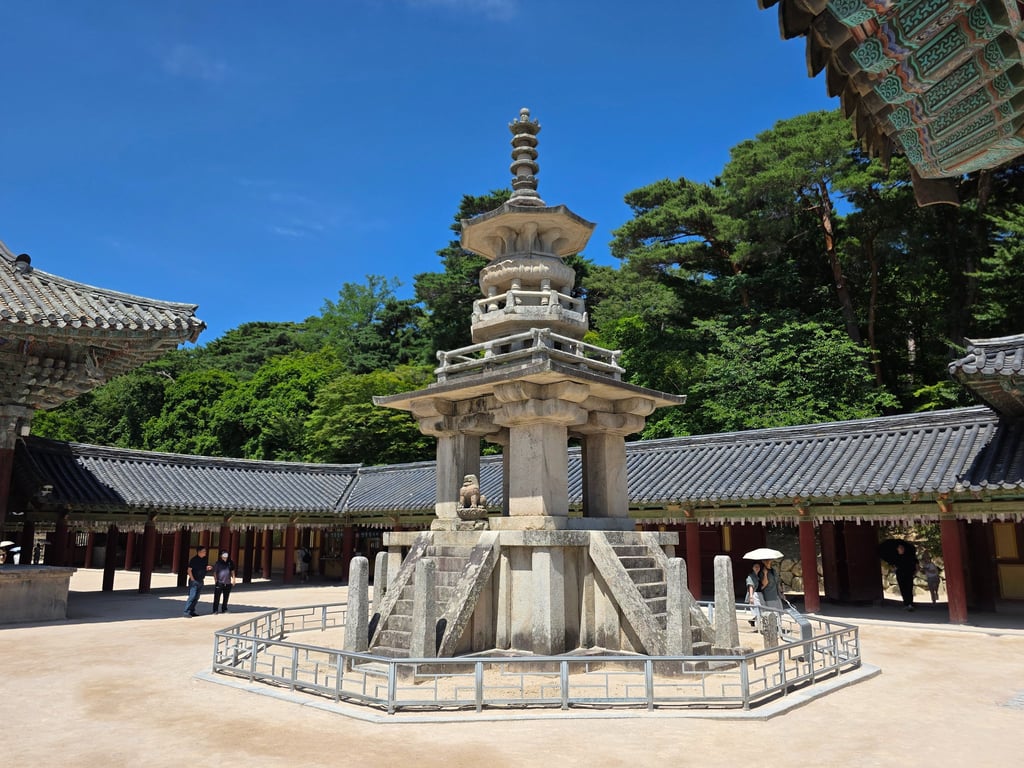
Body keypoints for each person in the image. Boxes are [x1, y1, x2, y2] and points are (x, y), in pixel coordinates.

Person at [183, 545, 211, 618]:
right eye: (203, 551)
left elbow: (204, 566)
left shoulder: (205, 559)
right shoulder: (194, 560)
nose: (205, 553)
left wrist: (207, 568)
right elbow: (189, 570)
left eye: (205, 551)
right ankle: (186, 611)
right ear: (199, 552)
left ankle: (192, 611)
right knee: (192, 596)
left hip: (201, 580)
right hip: (194, 580)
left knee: (197, 597)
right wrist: (192, 579)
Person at [893, 542, 919, 611]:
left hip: (908, 575)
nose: (899, 549)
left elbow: (916, 564)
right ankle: (906, 603)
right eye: (899, 548)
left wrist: (915, 572)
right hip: (900, 575)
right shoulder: (896, 557)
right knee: (902, 589)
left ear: (903, 549)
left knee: (909, 589)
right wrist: (895, 571)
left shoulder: (909, 556)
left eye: (901, 548)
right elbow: (895, 566)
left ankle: (910, 604)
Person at [211, 550, 236, 614]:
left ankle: (224, 609)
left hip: (228, 582)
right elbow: (215, 572)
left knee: (226, 597)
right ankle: (215, 610)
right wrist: (216, 580)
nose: (225, 556)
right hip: (220, 582)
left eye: (226, 555)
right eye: (224, 555)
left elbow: (232, 571)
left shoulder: (230, 562)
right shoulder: (218, 563)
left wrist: (233, 579)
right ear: (221, 556)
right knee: (217, 597)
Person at [745, 562, 763, 627]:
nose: (757, 568)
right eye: (755, 566)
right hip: (754, 594)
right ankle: (759, 626)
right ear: (752, 568)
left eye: (758, 567)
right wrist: (751, 597)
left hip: (760, 594)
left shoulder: (760, 576)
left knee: (762, 610)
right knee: (758, 610)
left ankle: (753, 621)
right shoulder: (750, 576)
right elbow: (750, 586)